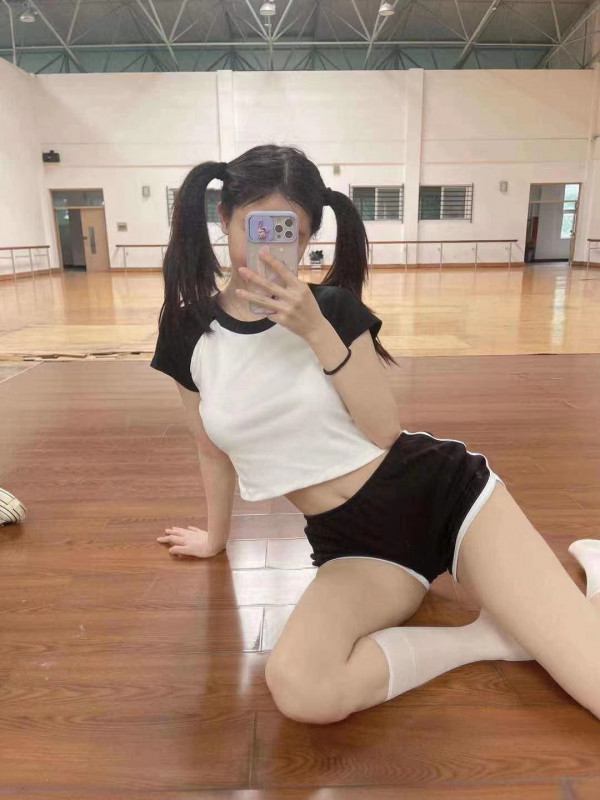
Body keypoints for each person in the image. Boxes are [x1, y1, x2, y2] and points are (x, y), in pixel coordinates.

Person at [150, 144, 600, 725]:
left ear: (307, 239)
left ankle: (587, 581)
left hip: (442, 496)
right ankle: (487, 638)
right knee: (302, 689)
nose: (268, 247)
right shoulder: (188, 332)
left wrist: (315, 330)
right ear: (223, 219)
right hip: (355, 547)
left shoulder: (332, 309)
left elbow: (384, 429)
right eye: (254, 227)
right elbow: (210, 451)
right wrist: (216, 538)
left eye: (289, 232)